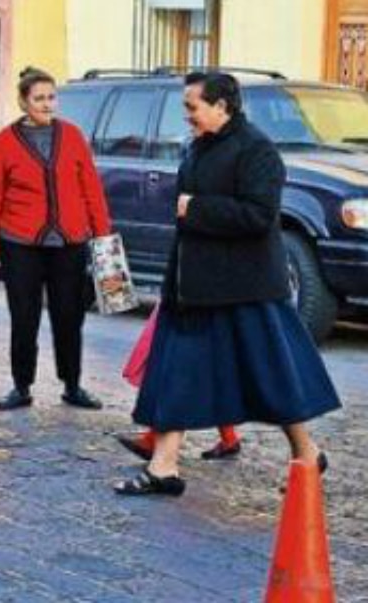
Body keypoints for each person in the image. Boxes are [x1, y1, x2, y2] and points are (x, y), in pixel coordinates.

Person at [115, 72, 341, 497]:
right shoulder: (199, 146)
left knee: (271, 377)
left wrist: (198, 208)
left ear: (222, 106)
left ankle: (307, 452)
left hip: (245, 288)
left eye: (192, 107)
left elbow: (259, 216)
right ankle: (164, 466)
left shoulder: (258, 151)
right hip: (195, 287)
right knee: (175, 373)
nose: (187, 116)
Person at [0, 66, 112, 413]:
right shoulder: (3, 143)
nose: (47, 105)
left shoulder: (73, 136)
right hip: (20, 242)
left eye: (52, 98)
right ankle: (21, 387)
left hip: (69, 242)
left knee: (70, 317)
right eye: (39, 99)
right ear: (24, 102)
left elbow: (91, 190)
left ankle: (72, 384)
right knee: (24, 317)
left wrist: (102, 237)